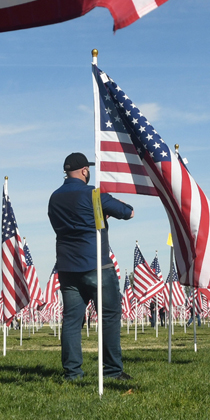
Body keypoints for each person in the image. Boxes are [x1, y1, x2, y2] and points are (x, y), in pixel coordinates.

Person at [48, 152, 134, 381]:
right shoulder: (93, 194)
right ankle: (112, 370)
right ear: (85, 170)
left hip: (67, 267)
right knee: (108, 317)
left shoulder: (54, 198)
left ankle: (72, 372)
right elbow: (128, 212)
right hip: (97, 264)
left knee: (72, 320)